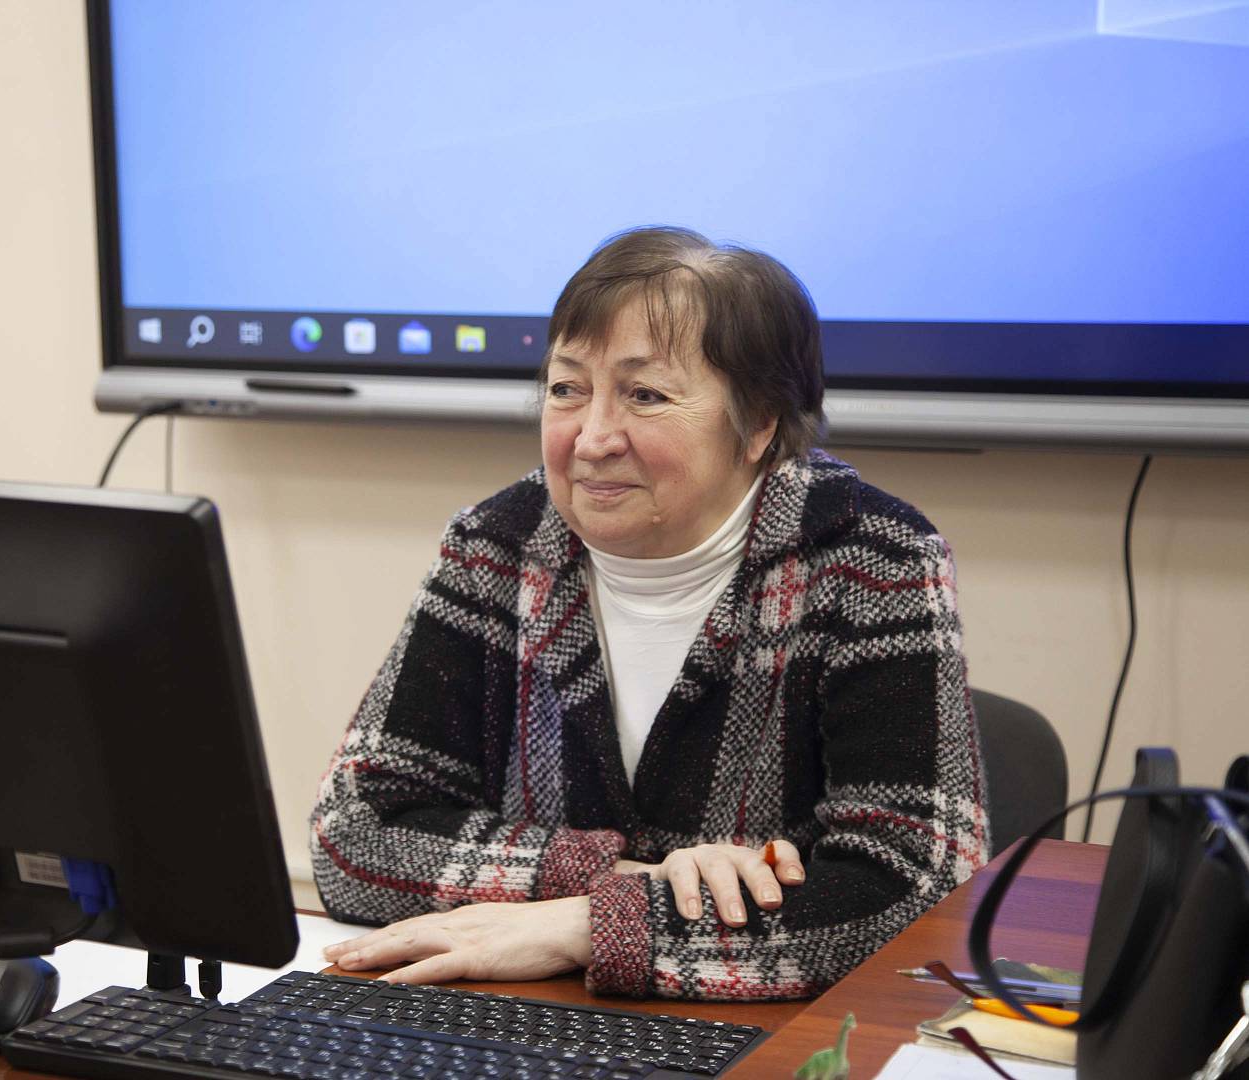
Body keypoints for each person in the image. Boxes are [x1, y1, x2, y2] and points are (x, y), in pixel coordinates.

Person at [309, 226, 990, 1001]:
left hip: (767, 1039)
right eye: (567, 389)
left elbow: (916, 887)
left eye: (645, 396)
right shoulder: (498, 544)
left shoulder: (873, 558)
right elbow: (354, 835)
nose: (592, 438)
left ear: (760, 424)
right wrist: (623, 877)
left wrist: (590, 924)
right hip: (531, 1013)